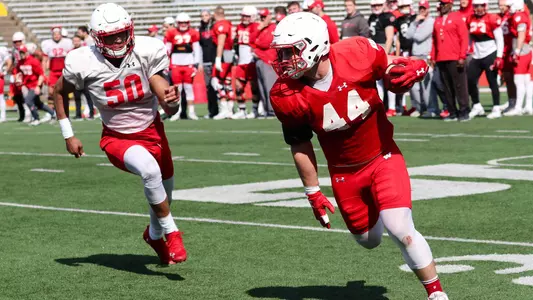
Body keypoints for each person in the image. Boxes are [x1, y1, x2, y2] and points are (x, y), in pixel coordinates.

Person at [269, 12, 447, 300]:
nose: (284, 60)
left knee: (401, 228)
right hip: (344, 173)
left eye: (291, 51)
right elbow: (300, 144)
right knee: (368, 240)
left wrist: (414, 67)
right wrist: (312, 191)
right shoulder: (286, 94)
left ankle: (437, 294)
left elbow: (391, 67)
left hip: (382, 156)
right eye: (282, 53)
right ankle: (376, 209)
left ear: (314, 46)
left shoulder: (356, 52)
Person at [53, 3, 186, 265]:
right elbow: (58, 92)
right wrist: (68, 134)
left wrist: (172, 100)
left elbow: (166, 98)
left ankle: (155, 234)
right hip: (117, 137)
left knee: (164, 195)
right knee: (150, 171)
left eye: (121, 33)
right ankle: (172, 232)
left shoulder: (147, 50)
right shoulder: (83, 60)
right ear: (96, 37)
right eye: (109, 36)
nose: (117, 40)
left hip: (153, 130)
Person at [430, 0, 470, 122]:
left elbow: (464, 38)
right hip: (441, 58)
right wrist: (432, 56)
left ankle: (464, 111)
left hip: (455, 57)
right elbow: (434, 41)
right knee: (446, 87)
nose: (441, 6)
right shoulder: (437, 20)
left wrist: (462, 56)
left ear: (450, 5)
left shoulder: (457, 18)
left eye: (444, 4)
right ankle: (452, 112)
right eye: (441, 4)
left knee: (460, 86)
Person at [466, 0, 504, 119]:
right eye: (476, 6)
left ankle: (496, 107)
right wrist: (468, 50)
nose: (478, 8)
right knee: (470, 79)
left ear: (485, 6)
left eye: (481, 6)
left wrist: (499, 56)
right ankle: (477, 105)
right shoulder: (470, 19)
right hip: (477, 54)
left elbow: (499, 38)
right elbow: (469, 36)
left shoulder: (492, 18)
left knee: (492, 81)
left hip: (490, 52)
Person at [165, 13, 202, 121]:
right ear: (177, 23)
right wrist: (166, 64)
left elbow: (197, 49)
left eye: (185, 22)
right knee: (178, 89)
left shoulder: (193, 33)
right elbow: (167, 50)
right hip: (176, 64)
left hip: (189, 64)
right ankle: (178, 112)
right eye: (181, 22)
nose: (183, 24)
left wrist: (196, 64)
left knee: (188, 88)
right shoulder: (171, 32)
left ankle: (191, 112)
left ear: (189, 23)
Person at [405, 0, 434, 117]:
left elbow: (419, 37)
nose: (422, 10)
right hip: (416, 56)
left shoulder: (431, 21)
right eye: (421, 8)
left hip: (425, 55)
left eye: (424, 8)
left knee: (426, 85)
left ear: (428, 9)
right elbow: (407, 35)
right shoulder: (417, 22)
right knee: (414, 85)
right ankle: (418, 108)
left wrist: (415, 26)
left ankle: (430, 108)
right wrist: (414, 23)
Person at [503, 0, 532, 116]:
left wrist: (517, 51)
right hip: (526, 49)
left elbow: (521, 35)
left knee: (519, 81)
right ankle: (528, 106)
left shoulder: (518, 17)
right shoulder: (520, 15)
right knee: (527, 81)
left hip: (522, 50)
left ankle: (518, 107)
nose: (508, 9)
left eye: (510, 6)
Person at [15, 45, 55, 126]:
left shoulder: (33, 61)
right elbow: (18, 72)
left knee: (28, 101)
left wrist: (38, 86)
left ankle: (36, 118)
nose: (21, 54)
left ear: (26, 52)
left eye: (23, 52)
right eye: (20, 52)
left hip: (35, 84)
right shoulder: (20, 62)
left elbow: (41, 74)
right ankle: (53, 113)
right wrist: (18, 79)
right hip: (27, 85)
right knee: (39, 104)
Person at [368, 0, 396, 114]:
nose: (376, 7)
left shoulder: (387, 17)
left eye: (378, 5)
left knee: (389, 79)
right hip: (375, 49)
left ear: (383, 4)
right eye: (374, 5)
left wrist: (386, 53)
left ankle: (392, 107)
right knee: (378, 80)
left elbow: (389, 37)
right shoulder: (371, 18)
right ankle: (380, 107)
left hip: (384, 49)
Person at [253, 8, 282, 118]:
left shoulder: (272, 27)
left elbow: (265, 43)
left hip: (268, 60)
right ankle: (266, 109)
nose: (263, 19)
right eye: (261, 17)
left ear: (269, 16)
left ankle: (272, 110)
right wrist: (258, 30)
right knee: (262, 87)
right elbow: (250, 40)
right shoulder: (259, 28)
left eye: (264, 17)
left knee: (269, 86)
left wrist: (256, 44)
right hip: (260, 60)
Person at [232, 6, 259, 119]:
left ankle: (255, 109)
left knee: (254, 87)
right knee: (238, 87)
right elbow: (236, 42)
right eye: (243, 16)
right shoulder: (239, 27)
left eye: (247, 16)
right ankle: (242, 110)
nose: (244, 18)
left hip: (251, 60)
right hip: (241, 61)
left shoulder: (256, 26)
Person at [41, 26, 73, 120]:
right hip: (53, 71)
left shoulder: (67, 42)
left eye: (58, 34)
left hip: (64, 70)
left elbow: (71, 57)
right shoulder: (47, 44)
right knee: (51, 92)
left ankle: (66, 112)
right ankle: (52, 112)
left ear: (61, 34)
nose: (56, 36)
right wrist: (44, 72)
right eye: (54, 34)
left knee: (65, 92)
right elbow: (45, 60)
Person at [212, 6, 235, 120]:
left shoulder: (221, 24)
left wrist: (218, 58)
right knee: (227, 82)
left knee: (217, 82)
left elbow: (221, 42)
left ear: (215, 14)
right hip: (228, 54)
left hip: (224, 55)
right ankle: (230, 110)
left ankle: (224, 109)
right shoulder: (228, 23)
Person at [199, 9, 219, 119]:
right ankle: (212, 111)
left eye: (206, 15)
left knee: (217, 86)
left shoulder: (214, 27)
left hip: (215, 61)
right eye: (202, 15)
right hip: (206, 62)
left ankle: (223, 110)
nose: (204, 17)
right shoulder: (200, 28)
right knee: (209, 88)